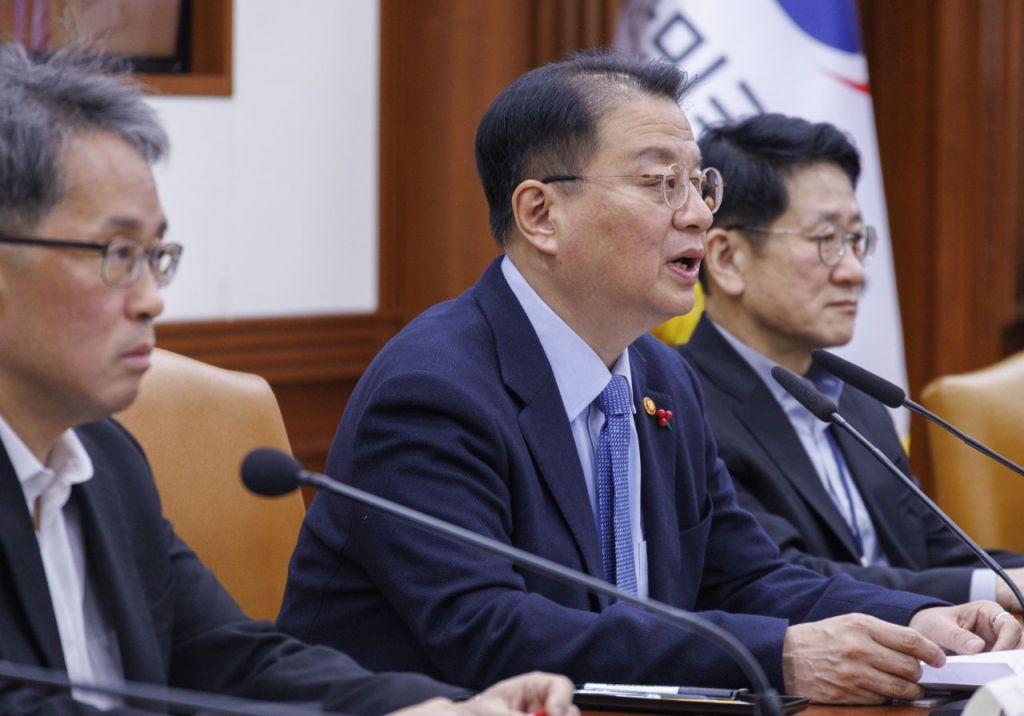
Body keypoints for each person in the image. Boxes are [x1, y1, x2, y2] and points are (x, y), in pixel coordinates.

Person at [277, 51, 1022, 705]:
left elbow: (745, 577)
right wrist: (780, 657)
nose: (697, 215)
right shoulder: (434, 390)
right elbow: (490, 631)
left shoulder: (661, 376)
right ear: (541, 214)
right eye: (662, 183)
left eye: (699, 184)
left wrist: (914, 621)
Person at [0, 42, 576, 716]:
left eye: (156, 255)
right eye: (119, 254)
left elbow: (232, 662)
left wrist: (437, 709)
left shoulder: (104, 459)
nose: (152, 298)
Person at [678, 112, 1024, 610]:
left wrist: (1008, 578)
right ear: (727, 259)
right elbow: (778, 578)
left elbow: (935, 552)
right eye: (827, 241)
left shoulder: (854, 397)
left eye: (857, 240)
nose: (854, 272)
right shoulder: (684, 405)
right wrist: (994, 589)